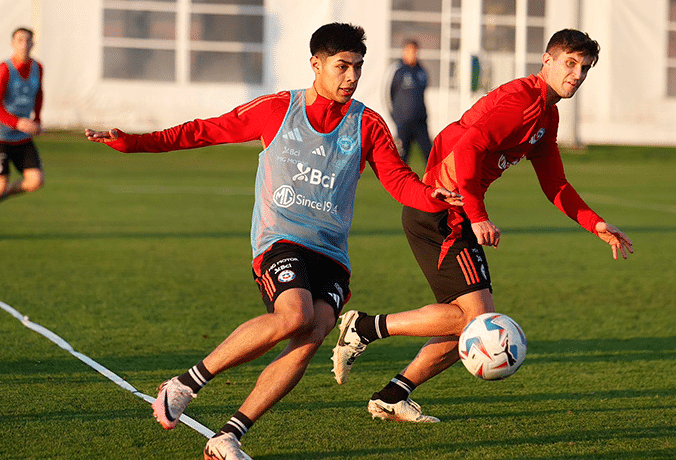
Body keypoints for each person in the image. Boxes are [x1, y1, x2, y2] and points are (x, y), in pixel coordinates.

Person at [85, 23, 462, 460]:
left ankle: (228, 436)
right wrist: (134, 143)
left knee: (313, 333)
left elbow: (399, 181)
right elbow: (204, 130)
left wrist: (431, 196)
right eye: (342, 67)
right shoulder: (280, 109)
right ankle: (186, 384)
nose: (351, 77)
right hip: (280, 239)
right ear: (315, 65)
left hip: (332, 255)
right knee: (293, 315)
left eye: (358, 67)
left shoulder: (367, 124)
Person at [331, 29, 635, 423]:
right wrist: (477, 215)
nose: (577, 74)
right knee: (476, 322)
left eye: (585, 68)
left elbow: (555, 183)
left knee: (469, 324)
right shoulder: (522, 100)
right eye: (570, 63)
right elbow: (470, 145)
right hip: (443, 214)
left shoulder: (547, 113)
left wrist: (595, 224)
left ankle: (393, 395)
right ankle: (366, 327)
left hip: (448, 213)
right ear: (547, 60)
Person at [0, 27, 45, 242]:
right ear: (12, 43)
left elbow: (39, 94)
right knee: (0, 183)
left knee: (35, 181)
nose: (24, 44)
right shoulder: (4, 69)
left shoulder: (37, 68)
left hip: (22, 137)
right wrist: (16, 122)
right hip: (0, 135)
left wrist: (37, 118)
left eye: (28, 40)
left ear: (33, 44)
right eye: (20, 40)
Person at [387, 39, 432, 167]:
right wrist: (395, 118)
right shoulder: (396, 70)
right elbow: (386, 94)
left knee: (430, 156)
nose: (413, 54)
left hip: (420, 122)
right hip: (403, 122)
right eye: (410, 51)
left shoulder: (421, 71)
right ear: (404, 52)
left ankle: (433, 185)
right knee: (401, 160)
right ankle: (401, 186)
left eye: (415, 51)